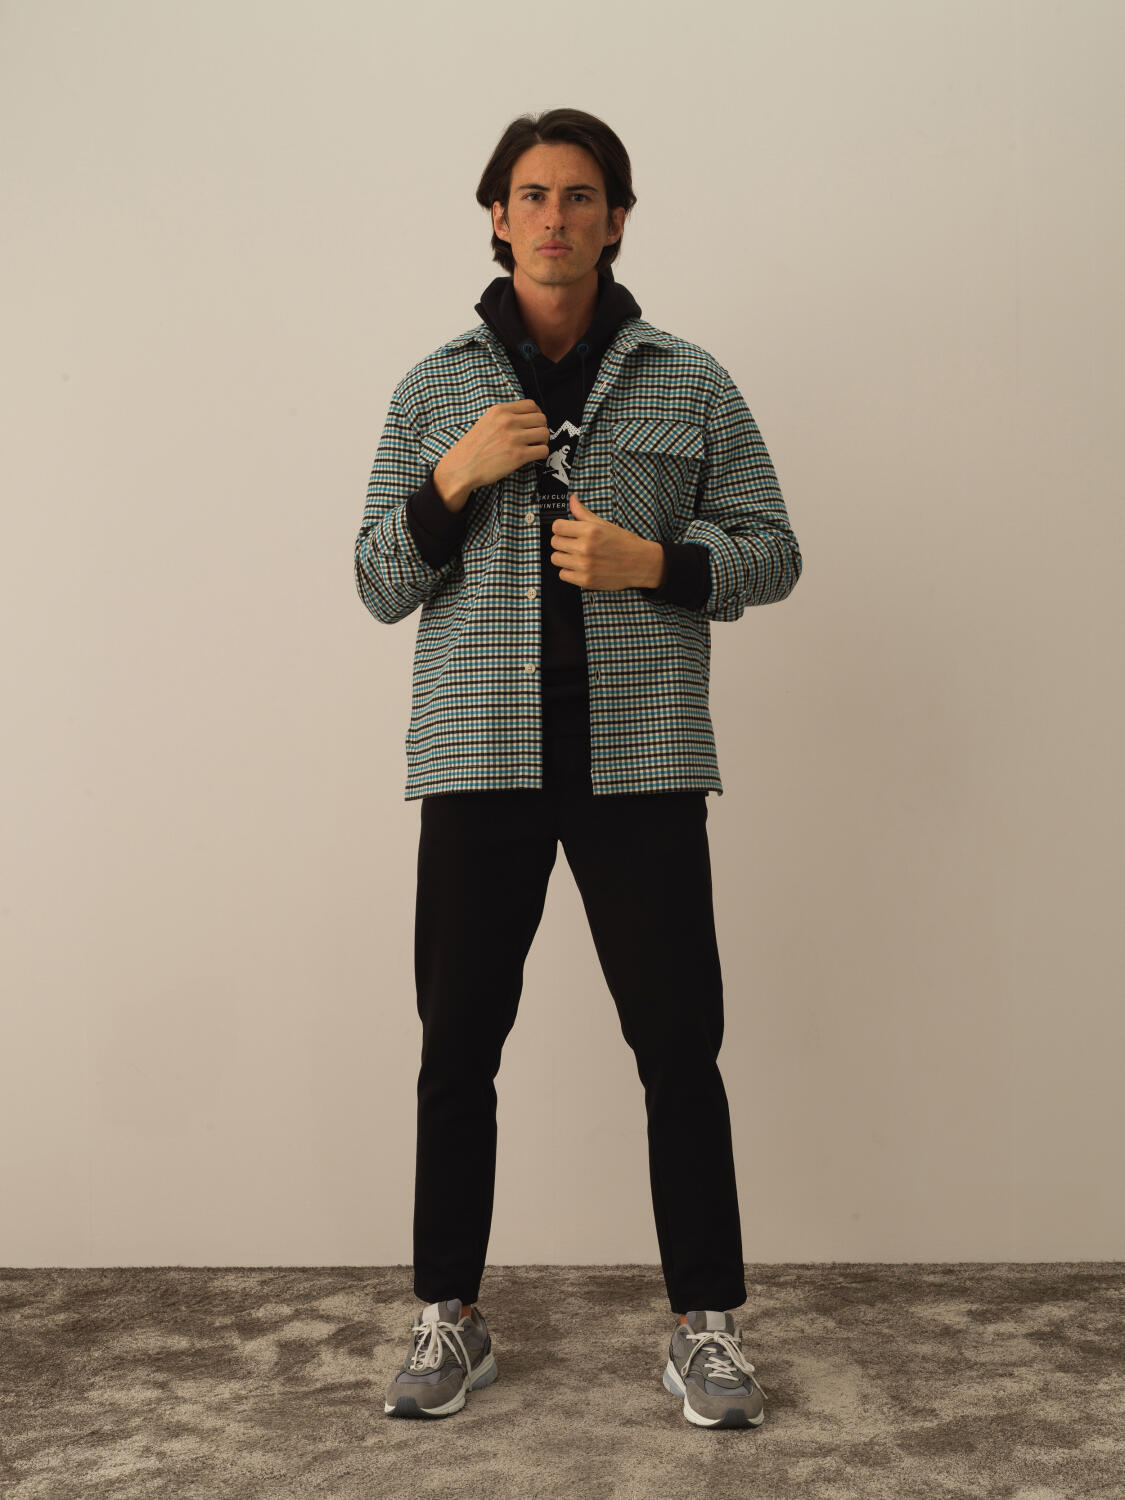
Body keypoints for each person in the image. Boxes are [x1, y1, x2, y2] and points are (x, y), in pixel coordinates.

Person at [354, 107, 802, 1430]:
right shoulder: (434, 390)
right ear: (497, 217)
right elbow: (377, 580)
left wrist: (653, 563)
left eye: (582, 195)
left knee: (679, 1046)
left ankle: (705, 1328)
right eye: (534, 194)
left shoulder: (690, 381)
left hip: (640, 760)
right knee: (457, 1047)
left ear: (616, 219)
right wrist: (452, 479)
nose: (556, 217)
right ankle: (450, 1314)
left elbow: (774, 550)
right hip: (477, 755)